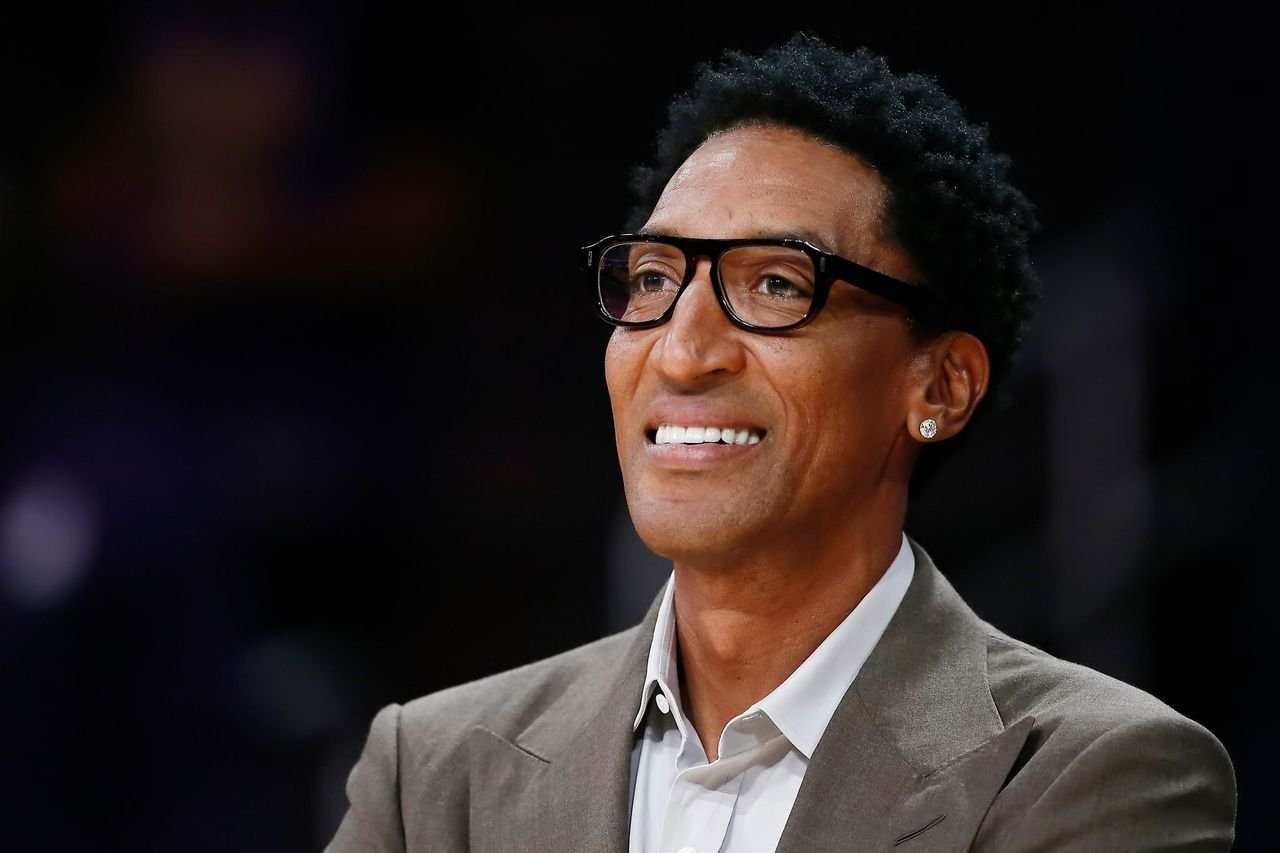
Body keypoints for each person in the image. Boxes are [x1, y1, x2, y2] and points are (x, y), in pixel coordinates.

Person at [327, 33, 1237, 851]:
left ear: (939, 385)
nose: (682, 351)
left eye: (772, 285)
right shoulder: (433, 774)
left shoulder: (1093, 774)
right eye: (652, 277)